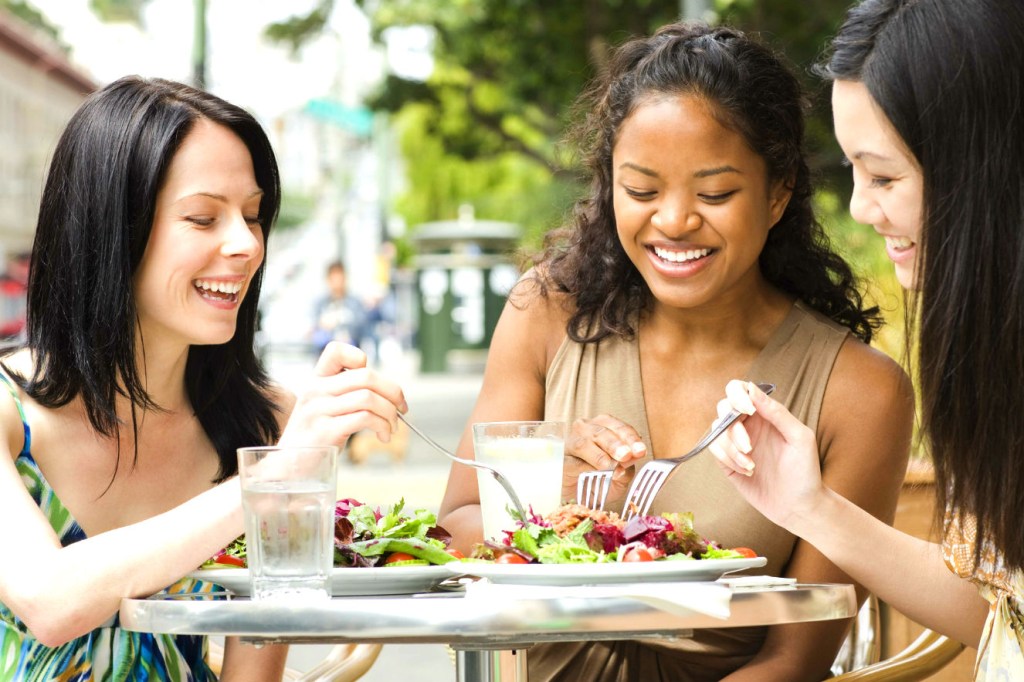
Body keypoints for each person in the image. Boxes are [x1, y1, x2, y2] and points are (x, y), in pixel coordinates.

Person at [437, 22, 914, 681]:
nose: (673, 221)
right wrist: (547, 493)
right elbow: (452, 531)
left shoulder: (860, 391)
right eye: (641, 191)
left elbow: (797, 656)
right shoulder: (544, 314)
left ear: (777, 195)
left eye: (715, 194)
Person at [0, 76, 407, 680]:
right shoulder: (10, 410)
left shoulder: (266, 422)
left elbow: (252, 672)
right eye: (202, 217)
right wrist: (272, 479)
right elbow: (50, 602)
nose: (245, 245)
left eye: (252, 215)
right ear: (112, 230)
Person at [710, 1, 1024, 679]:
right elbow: (1003, 611)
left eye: (883, 176)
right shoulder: (995, 353)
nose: (858, 207)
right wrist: (807, 505)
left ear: (985, 172)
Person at [312, 260, 369, 355]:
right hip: (325, 353)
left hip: (350, 352)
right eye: (333, 277)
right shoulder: (320, 304)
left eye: (339, 277)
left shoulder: (355, 303)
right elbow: (313, 328)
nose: (337, 282)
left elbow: (361, 326)